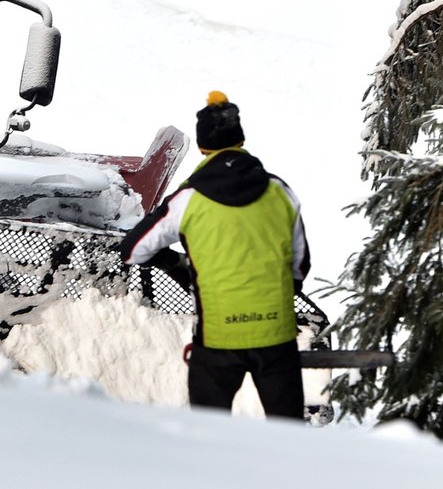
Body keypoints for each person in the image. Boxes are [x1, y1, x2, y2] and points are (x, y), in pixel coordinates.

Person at [118, 91, 310, 420]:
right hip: (276, 340)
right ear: (241, 139)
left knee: (207, 435)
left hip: (218, 341)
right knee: (288, 435)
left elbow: (133, 250)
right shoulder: (280, 192)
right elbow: (299, 267)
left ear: (203, 147)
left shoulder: (188, 200)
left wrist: (177, 265)